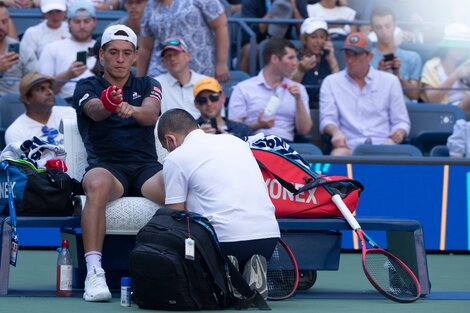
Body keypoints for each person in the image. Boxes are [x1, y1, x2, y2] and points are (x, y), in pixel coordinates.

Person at [72, 24, 164, 302]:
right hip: (107, 167)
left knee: (184, 185)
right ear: (102, 54)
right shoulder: (87, 85)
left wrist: (131, 108)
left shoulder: (149, 83)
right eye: (113, 52)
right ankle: (94, 272)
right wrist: (109, 103)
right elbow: (95, 112)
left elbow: (150, 114)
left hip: (146, 169)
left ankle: (192, 265)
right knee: (96, 184)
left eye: (126, 53)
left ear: (136, 56)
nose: (120, 59)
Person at [157, 108, 280, 298]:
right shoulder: (236, 141)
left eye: (167, 147)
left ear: (170, 140)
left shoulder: (175, 158)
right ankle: (241, 268)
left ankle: (225, 273)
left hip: (224, 242)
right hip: (268, 239)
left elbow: (176, 216)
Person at [319, 32, 410, 156]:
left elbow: (401, 121)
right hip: (349, 145)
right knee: (338, 155)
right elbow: (327, 119)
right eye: (347, 54)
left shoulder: (390, 81)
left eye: (355, 55)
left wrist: (400, 131)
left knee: (390, 149)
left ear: (369, 57)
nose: (350, 60)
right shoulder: (331, 82)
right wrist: (336, 132)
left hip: (383, 143)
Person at [228, 38, 312, 142]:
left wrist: (298, 99)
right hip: (253, 145)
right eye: (290, 58)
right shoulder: (244, 88)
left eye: (296, 58)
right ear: (274, 59)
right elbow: (234, 130)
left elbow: (304, 130)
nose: (295, 63)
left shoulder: (298, 89)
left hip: (286, 147)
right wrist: (257, 126)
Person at [136, 0, 229, 82]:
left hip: (199, 66)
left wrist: (221, 62)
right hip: (162, 68)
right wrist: (139, 79)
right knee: (153, 96)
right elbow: (145, 47)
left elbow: (220, 25)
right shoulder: (150, 6)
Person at [39, 0, 97, 102]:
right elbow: (42, 90)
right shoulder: (52, 48)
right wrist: (68, 74)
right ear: (68, 23)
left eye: (86, 21)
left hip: (98, 103)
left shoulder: (104, 49)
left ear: (94, 23)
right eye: (77, 21)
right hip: (63, 104)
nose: (82, 26)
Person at [4, 71, 76, 146]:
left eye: (50, 88)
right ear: (26, 99)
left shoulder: (70, 113)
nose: (50, 92)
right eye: (41, 89)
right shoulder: (16, 131)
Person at [369, 6, 422, 102]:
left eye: (387, 26)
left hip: (405, 110)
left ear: (395, 26)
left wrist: (397, 76)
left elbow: (414, 95)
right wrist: (378, 74)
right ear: (373, 29)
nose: (384, 31)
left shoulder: (413, 57)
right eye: (379, 27)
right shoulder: (365, 58)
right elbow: (361, 94)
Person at [239, 0, 308, 73]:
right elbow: (248, 34)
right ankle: (246, 82)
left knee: (309, 44)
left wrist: (294, 9)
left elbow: (306, 30)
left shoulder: (298, 1)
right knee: (250, 49)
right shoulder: (251, 2)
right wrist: (273, 11)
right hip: (258, 42)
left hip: (285, 41)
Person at [291, 18, 340, 108]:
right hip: (302, 108)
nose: (318, 41)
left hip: (327, 107)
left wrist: (332, 60)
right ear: (305, 39)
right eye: (313, 37)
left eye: (322, 37)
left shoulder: (328, 58)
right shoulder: (294, 58)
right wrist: (300, 70)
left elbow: (339, 88)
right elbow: (289, 90)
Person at [421, 23, 470, 112]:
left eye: (463, 47)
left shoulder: (468, 63)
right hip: (443, 114)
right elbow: (432, 100)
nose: (460, 51)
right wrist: (455, 75)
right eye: (456, 46)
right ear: (447, 46)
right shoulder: (432, 66)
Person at [155, 36, 208, 118]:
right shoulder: (156, 85)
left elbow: (218, 116)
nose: (172, 58)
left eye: (176, 54)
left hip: (203, 129)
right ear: (163, 61)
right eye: (168, 56)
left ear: (188, 55)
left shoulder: (206, 82)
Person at [0, 2, 38, 96]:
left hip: (17, 106)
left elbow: (35, 84)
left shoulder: (23, 50)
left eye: (4, 22)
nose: (1, 27)